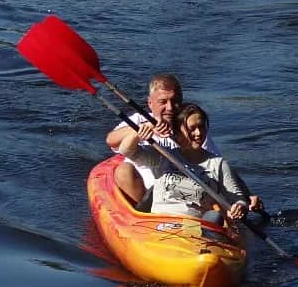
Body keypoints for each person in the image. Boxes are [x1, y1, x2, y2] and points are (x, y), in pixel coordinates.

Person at [105, 73, 262, 211]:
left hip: (187, 191)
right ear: (150, 103)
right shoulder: (140, 119)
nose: (170, 107)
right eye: (163, 101)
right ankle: (144, 216)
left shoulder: (192, 129)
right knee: (124, 170)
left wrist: (247, 196)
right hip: (151, 192)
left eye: (175, 101)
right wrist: (143, 129)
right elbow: (112, 140)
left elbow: (219, 166)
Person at [117, 103, 249, 226]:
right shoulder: (164, 156)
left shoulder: (218, 164)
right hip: (160, 224)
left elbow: (237, 198)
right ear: (177, 131)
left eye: (201, 127)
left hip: (193, 228)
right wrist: (138, 133)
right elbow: (126, 150)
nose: (198, 133)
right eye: (191, 129)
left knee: (214, 217)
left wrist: (239, 206)